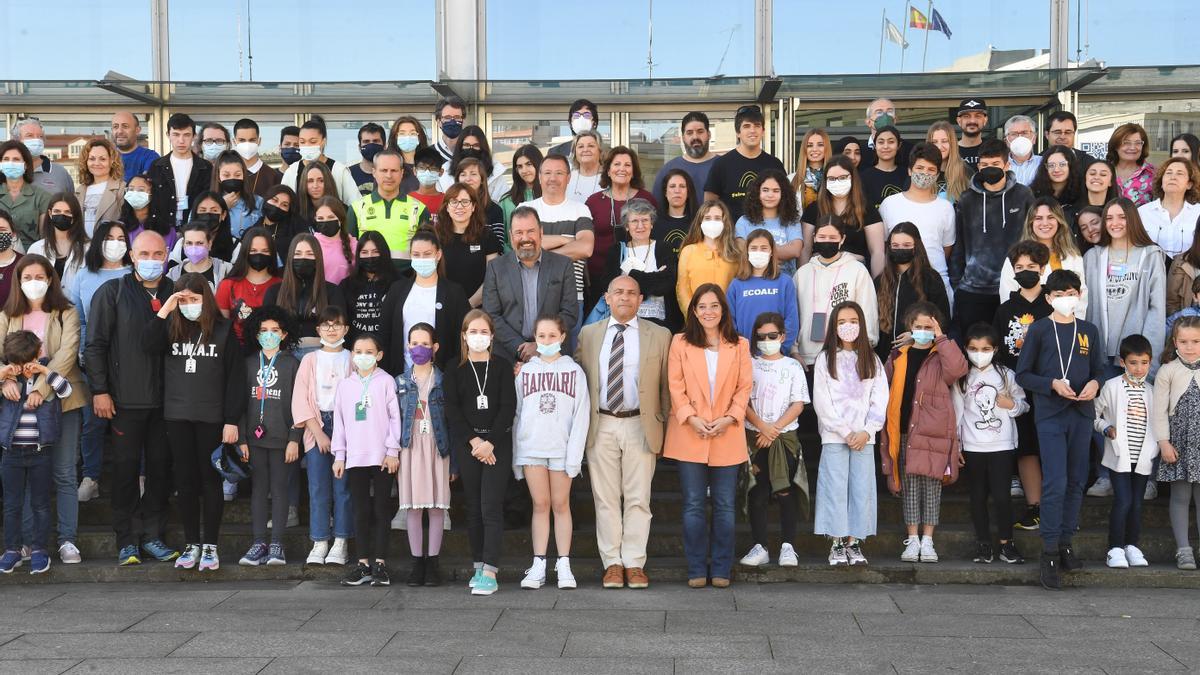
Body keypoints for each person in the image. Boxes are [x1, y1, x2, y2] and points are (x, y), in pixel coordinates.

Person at [83, 230, 178, 565]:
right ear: (132, 256)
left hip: (167, 402)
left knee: (159, 470)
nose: (151, 261)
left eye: (157, 254)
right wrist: (100, 390)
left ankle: (153, 536)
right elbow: (94, 346)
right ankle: (127, 540)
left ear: (166, 256)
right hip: (124, 400)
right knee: (124, 470)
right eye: (144, 254)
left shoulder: (175, 292)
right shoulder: (113, 292)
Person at [575, 275, 671, 588]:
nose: (625, 298)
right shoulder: (588, 334)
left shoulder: (660, 335)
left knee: (638, 498)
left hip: (640, 424)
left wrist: (665, 424)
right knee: (605, 498)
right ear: (606, 297)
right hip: (601, 423)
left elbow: (666, 386)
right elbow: (577, 379)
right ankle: (612, 562)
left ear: (641, 300)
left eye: (631, 293)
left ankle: (634, 562)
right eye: (618, 292)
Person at [141, 272, 238, 572]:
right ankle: (192, 543)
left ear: (205, 299)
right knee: (184, 481)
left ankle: (210, 545)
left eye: (195, 300)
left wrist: (232, 420)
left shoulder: (223, 330)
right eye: (184, 300)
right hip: (177, 415)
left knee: (210, 481)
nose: (189, 306)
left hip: (211, 417)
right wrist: (166, 308)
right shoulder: (172, 326)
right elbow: (147, 344)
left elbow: (235, 378)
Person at [1015, 269, 1105, 589]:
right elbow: (1023, 375)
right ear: (1049, 298)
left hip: (1081, 413)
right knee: (1055, 481)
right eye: (1060, 295)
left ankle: (1066, 542)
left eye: (1072, 293)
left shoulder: (1089, 331)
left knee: (1077, 480)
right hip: (1051, 415)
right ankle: (1049, 550)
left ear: (1079, 295)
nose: (1067, 299)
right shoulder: (1040, 330)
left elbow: (1099, 369)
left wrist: (1095, 382)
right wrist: (1052, 384)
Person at [665, 284, 752, 588]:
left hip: (727, 432)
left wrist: (730, 417)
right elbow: (675, 386)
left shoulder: (739, 345)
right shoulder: (680, 343)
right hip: (690, 432)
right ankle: (695, 568)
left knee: (726, 504)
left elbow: (744, 387)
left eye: (714, 306)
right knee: (693, 503)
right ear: (693, 311)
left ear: (723, 310)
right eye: (701, 306)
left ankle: (721, 568)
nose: (708, 312)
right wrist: (691, 417)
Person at [0, 255, 86, 565]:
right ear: (18, 281)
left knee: (64, 473)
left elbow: (67, 354)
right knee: (23, 478)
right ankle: (25, 543)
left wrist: (41, 388)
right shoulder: (7, 315)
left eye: (40, 275)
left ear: (50, 279)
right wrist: (4, 382)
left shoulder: (66, 313)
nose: (33, 281)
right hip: (19, 406)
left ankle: (67, 539)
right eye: (27, 276)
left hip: (62, 401)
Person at [882, 301, 967, 563]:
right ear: (909, 328)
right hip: (905, 429)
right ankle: (912, 539)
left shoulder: (941, 354)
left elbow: (957, 369)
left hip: (934, 433)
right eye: (917, 326)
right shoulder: (898, 356)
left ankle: (928, 540)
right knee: (909, 487)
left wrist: (941, 338)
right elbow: (883, 387)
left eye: (928, 327)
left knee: (931, 486)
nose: (922, 331)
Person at [514, 314, 590, 590]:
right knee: (540, 505)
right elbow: (517, 414)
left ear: (562, 337)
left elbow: (582, 416)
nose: (546, 341)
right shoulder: (525, 372)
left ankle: (564, 563)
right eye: (541, 336)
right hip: (532, 448)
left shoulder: (574, 372)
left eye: (551, 335)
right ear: (534, 338)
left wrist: (575, 456)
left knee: (561, 505)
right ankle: (538, 564)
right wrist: (516, 454)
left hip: (561, 449)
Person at [444, 310, 516, 596]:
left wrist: (490, 443)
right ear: (464, 335)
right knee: (473, 508)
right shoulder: (454, 368)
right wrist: (474, 442)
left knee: (491, 507)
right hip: (469, 445)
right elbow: (452, 409)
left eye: (483, 332)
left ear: (492, 336)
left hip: (497, 445)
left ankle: (490, 570)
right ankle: (478, 564)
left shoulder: (501, 366)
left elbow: (507, 408)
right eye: (472, 332)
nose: (477, 337)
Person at [813, 301, 887, 566]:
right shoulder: (825, 359)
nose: (848, 326)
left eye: (853, 321)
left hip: (864, 438)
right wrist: (845, 432)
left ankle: (855, 542)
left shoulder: (872, 359)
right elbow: (822, 402)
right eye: (841, 322)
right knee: (834, 488)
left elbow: (880, 398)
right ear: (833, 326)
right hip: (835, 436)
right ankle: (836, 542)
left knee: (862, 488)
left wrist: (867, 431)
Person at [232, 305, 303, 567]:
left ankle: (277, 543)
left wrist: (295, 437)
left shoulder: (292, 364)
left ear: (284, 334)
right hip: (253, 438)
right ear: (255, 333)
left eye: (275, 330)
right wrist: (241, 438)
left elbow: (300, 403)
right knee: (259, 489)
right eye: (263, 330)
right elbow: (238, 402)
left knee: (280, 489)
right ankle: (259, 541)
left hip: (284, 440)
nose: (269, 335)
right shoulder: (248, 363)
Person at [738, 311, 810, 568]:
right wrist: (762, 427)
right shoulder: (749, 364)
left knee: (784, 490)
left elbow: (798, 403)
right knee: (757, 490)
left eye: (772, 336)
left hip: (784, 438)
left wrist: (774, 429)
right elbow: (741, 400)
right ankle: (760, 545)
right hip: (754, 436)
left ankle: (788, 546)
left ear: (782, 336)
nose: (766, 340)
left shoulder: (792, 366)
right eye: (761, 337)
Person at [953, 323, 1028, 564]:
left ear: (995, 349)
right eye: (973, 348)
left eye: (985, 348)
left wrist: (1011, 405)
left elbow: (1023, 405)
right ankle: (983, 544)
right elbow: (956, 414)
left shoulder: (1007, 375)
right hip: (973, 447)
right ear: (965, 348)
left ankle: (1007, 544)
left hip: (1002, 446)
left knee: (1002, 496)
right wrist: (956, 444)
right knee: (977, 496)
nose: (979, 353)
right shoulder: (961, 377)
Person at [0, 330, 73, 574]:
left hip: (40, 452)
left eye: (26, 363)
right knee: (11, 504)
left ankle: (40, 549)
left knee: (41, 503)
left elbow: (66, 391)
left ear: (38, 354)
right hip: (11, 454)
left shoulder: (46, 376)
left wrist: (43, 371)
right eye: (16, 364)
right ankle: (12, 549)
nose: (22, 369)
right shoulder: (8, 380)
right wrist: (4, 375)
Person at [332, 332, 401, 586]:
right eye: (358, 352)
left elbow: (396, 418)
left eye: (369, 352)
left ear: (379, 355)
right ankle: (362, 565)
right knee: (360, 510)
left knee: (381, 509)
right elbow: (338, 422)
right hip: (355, 457)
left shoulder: (386, 381)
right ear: (352, 355)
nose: (363, 356)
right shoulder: (345, 385)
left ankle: (380, 564)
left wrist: (392, 451)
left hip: (382, 456)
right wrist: (340, 455)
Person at [993, 240, 1053, 532]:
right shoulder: (1005, 309)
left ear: (1042, 269)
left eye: (1032, 267)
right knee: (1027, 447)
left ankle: (1056, 507)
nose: (1026, 271)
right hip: (1016, 386)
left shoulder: (1053, 306)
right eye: (1020, 267)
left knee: (1050, 447)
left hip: (1049, 387)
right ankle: (1036, 507)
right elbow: (999, 351)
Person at [949, 139, 1036, 335]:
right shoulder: (967, 199)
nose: (990, 169)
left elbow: (1033, 238)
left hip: (1014, 286)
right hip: (973, 289)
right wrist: (957, 283)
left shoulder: (1023, 195)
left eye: (995, 164)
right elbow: (959, 243)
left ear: (1007, 165)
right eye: (985, 165)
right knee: (974, 347)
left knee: (1011, 347)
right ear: (978, 166)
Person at [66, 220, 126, 503]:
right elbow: (77, 319)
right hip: (94, 358)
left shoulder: (134, 273)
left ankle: (138, 476)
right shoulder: (84, 276)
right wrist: (81, 354)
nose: (115, 242)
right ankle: (91, 476)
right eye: (109, 237)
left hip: (130, 362)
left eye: (121, 237)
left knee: (132, 420)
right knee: (92, 422)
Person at [291, 306, 354, 567]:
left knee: (344, 487)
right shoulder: (309, 360)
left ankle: (341, 540)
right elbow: (300, 399)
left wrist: (340, 433)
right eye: (326, 325)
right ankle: (319, 540)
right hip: (315, 425)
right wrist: (317, 432)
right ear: (318, 330)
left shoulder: (352, 358)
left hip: (346, 428)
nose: (331, 329)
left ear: (346, 329)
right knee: (318, 486)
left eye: (337, 324)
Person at [393, 323, 452, 587]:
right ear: (407, 346)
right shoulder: (400, 382)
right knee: (414, 507)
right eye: (414, 343)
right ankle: (417, 562)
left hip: (437, 445)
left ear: (435, 347)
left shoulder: (444, 380)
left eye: (425, 344)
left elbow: (452, 419)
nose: (419, 348)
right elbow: (393, 419)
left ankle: (433, 562)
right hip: (410, 445)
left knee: (437, 506)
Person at [481, 206, 579, 364]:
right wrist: (520, 348)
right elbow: (491, 314)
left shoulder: (563, 265)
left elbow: (570, 312)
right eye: (519, 232)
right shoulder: (496, 267)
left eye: (530, 231)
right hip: (507, 357)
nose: (525, 238)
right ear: (511, 236)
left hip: (553, 356)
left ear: (541, 232)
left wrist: (540, 345)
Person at [1082, 198, 1166, 380]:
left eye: (1122, 217)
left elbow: (1156, 309)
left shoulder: (1150, 255)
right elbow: (1084, 306)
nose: (1115, 223)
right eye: (1109, 218)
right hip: (1101, 353)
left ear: (1133, 219)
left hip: (1135, 354)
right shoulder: (1093, 256)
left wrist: (1147, 356)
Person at [1093, 334, 1157, 569]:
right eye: (1133, 362)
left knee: (1137, 503)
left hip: (1144, 456)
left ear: (1150, 362)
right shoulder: (1111, 387)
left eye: (1144, 363)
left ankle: (1132, 545)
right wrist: (1106, 427)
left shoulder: (1152, 391)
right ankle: (1115, 548)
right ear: (1122, 362)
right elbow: (1094, 414)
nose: (1139, 368)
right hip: (1120, 456)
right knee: (1123, 501)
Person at [378, 230, 469, 372]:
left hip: (441, 375)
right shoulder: (397, 290)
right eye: (416, 255)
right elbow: (385, 332)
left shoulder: (454, 292)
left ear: (438, 255)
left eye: (427, 254)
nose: (421, 259)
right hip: (402, 373)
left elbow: (462, 337)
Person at [794, 216, 878, 367]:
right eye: (822, 237)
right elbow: (793, 315)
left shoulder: (857, 270)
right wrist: (793, 350)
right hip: (807, 357)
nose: (827, 241)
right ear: (814, 238)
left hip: (846, 356)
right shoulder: (802, 273)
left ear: (842, 239)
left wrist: (864, 347)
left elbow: (868, 310)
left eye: (833, 237)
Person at [880, 142, 957, 299]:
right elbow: (883, 245)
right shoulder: (890, 204)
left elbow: (947, 248)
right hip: (899, 283)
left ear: (937, 175)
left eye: (931, 170)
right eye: (920, 168)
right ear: (909, 170)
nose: (925, 174)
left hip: (937, 284)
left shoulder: (946, 207)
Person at [527, 155, 595, 330]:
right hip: (531, 296)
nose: (553, 178)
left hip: (571, 298)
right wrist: (567, 239)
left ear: (568, 177)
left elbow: (586, 248)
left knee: (568, 356)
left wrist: (540, 252)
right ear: (539, 177)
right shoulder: (525, 209)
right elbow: (523, 247)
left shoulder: (581, 209)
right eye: (547, 172)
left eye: (559, 173)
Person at [1154, 316, 1200, 570]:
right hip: (1179, 442)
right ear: (1175, 342)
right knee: (1181, 495)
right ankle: (1183, 549)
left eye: (1196, 341)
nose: (1190, 347)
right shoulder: (1168, 370)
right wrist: (1164, 442)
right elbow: (1160, 411)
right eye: (1184, 341)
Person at [585, 146, 657, 309]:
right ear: (608, 171)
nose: (622, 169)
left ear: (634, 171)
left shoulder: (647, 198)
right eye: (617, 164)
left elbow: (655, 236)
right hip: (599, 277)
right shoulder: (593, 202)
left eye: (627, 165)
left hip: (638, 276)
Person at [263, 234, 349, 357]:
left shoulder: (332, 291)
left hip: (322, 354)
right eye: (297, 254)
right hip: (283, 354)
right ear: (290, 258)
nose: (303, 258)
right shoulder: (273, 292)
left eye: (309, 254)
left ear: (318, 258)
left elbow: (340, 329)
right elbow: (266, 330)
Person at [997, 197, 1088, 314]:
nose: (1045, 223)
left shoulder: (1072, 256)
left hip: (1066, 325)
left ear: (1059, 221)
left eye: (1051, 217)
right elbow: (1007, 296)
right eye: (1038, 218)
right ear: (1031, 223)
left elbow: (1081, 295)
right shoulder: (1017, 256)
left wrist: (1075, 326)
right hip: (1028, 325)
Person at [875, 222, 951, 361]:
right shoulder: (881, 280)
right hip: (885, 358)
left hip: (920, 356)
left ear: (917, 246)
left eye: (906, 245)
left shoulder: (931, 278)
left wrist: (916, 335)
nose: (900, 249)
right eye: (895, 245)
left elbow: (943, 321)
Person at [800, 157, 884, 276]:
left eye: (843, 178)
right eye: (832, 179)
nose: (837, 182)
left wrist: (878, 286)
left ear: (853, 178)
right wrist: (804, 280)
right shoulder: (813, 210)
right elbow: (805, 250)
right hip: (820, 276)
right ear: (825, 181)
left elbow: (878, 252)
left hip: (855, 275)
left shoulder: (867, 210)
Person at [600, 199, 677, 330]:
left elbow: (665, 286)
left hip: (659, 325)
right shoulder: (617, 251)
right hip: (623, 323)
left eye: (645, 220)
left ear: (652, 224)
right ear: (626, 226)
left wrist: (630, 275)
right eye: (635, 221)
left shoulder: (664, 248)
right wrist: (655, 278)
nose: (640, 226)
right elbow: (610, 287)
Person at [346, 150, 429, 267]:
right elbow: (349, 251)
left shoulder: (419, 209)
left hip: (406, 279)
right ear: (374, 172)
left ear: (402, 173)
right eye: (384, 170)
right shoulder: (356, 208)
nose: (389, 175)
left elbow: (426, 250)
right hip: (369, 280)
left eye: (394, 170)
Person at [703, 105, 785, 222]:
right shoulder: (721, 164)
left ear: (763, 131)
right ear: (738, 133)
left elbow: (785, 202)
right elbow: (709, 205)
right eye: (746, 126)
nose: (752, 130)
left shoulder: (775, 165)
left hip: (769, 236)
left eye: (757, 126)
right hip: (730, 236)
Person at [726, 230, 799, 354]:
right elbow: (729, 322)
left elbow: (791, 320)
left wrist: (781, 350)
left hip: (777, 354)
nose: (758, 252)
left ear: (771, 252)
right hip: (745, 355)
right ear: (747, 252)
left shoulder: (785, 282)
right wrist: (739, 351)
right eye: (753, 248)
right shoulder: (736, 285)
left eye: (764, 248)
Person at [434, 183, 502, 308]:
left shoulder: (487, 236)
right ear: (447, 207)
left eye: (465, 201)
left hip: (479, 308)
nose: (459, 206)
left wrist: (469, 304)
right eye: (454, 202)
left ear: (473, 206)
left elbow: (493, 277)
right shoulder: (436, 237)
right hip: (443, 306)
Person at [147, 113, 212, 232]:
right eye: (176, 135)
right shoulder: (157, 166)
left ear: (194, 136)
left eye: (186, 135)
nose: (181, 140)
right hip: (163, 229)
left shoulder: (205, 167)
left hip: (196, 228)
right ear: (168, 135)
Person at [216, 226, 281, 344]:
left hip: (269, 349)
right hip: (235, 349)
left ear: (272, 253)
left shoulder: (280, 286)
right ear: (245, 252)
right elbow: (222, 326)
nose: (259, 255)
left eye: (265, 251)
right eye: (253, 251)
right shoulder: (227, 285)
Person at [675, 200, 739, 314]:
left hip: (728, 318)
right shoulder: (689, 251)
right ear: (700, 222)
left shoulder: (734, 253)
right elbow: (682, 289)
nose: (712, 222)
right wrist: (693, 314)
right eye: (708, 218)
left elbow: (738, 290)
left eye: (717, 218)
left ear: (725, 223)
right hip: (697, 318)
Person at [736, 169, 803, 278]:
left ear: (784, 194)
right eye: (765, 190)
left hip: (785, 282)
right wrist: (778, 255)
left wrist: (759, 253)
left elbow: (795, 250)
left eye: (776, 191)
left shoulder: (792, 221)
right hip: (752, 282)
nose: (770, 195)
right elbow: (741, 250)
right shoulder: (744, 221)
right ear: (758, 192)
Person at [281, 115, 359, 204]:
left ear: (323, 141)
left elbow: (356, 204)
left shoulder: (339, 170)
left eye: (313, 141)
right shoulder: (292, 172)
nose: (307, 146)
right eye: (302, 142)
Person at [651, 112, 717, 210]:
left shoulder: (723, 165)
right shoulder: (669, 169)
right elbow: (657, 208)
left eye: (700, 131)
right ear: (683, 138)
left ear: (709, 135)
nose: (695, 137)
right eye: (689, 133)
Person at [1139, 157, 1200, 260]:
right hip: (1151, 274)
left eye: (1179, 173)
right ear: (1161, 182)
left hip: (1189, 274)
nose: (1173, 177)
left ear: (1189, 184)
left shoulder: (1197, 212)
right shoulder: (1143, 213)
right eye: (1168, 173)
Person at [339, 232, 395, 337]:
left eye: (375, 251)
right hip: (356, 349)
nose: (370, 256)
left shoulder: (397, 284)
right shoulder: (346, 285)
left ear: (384, 253)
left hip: (387, 348)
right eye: (364, 252)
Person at [28, 194, 88, 292]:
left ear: (75, 216)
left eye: (67, 212)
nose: (62, 215)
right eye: (57, 211)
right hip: (44, 305)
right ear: (50, 214)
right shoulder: (36, 248)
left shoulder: (87, 248)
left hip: (75, 305)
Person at [0, 139, 53, 247]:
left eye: (16, 159)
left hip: (30, 258)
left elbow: (45, 239)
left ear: (25, 165)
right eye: (6, 159)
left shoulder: (42, 197)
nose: (11, 163)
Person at [437, 126, 510, 204]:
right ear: (460, 147)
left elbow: (503, 204)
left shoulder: (496, 172)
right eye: (466, 145)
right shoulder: (445, 172)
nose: (470, 149)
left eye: (476, 145)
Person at [452, 158, 507, 252]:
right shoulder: (450, 207)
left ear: (482, 179)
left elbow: (498, 247)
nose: (468, 179)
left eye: (473, 174)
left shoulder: (494, 210)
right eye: (463, 174)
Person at [74, 138, 126, 236]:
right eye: (92, 159)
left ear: (112, 161)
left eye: (102, 159)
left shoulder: (122, 189)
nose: (96, 163)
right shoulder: (79, 191)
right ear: (86, 161)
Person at [166, 219, 232, 291]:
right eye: (189, 243)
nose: (194, 248)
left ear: (209, 244)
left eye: (199, 243)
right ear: (183, 244)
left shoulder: (227, 271)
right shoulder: (173, 275)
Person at [12, 118, 73, 196]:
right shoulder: (8, 171)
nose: (36, 140)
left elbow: (71, 204)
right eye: (29, 135)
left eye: (40, 136)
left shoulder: (60, 172)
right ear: (16, 141)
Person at [498, 145, 543, 248]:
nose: (524, 170)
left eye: (529, 164)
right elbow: (502, 240)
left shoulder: (550, 197)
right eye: (520, 166)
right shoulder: (506, 201)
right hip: (514, 260)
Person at [213, 151, 263, 241]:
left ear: (244, 175)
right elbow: (199, 231)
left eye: (237, 175)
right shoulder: (206, 201)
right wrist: (221, 206)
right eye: (226, 175)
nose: (232, 178)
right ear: (218, 177)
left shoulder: (258, 202)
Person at [1031, 146, 1084, 226]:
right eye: (1051, 165)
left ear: (1070, 165)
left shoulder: (1082, 191)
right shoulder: (1033, 193)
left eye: (1062, 164)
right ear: (1045, 167)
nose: (1056, 170)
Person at [859, 126, 907, 213]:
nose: (885, 146)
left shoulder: (907, 174)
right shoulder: (864, 177)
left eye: (891, 142)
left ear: (898, 145)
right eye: (881, 142)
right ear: (875, 146)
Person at [231, 118, 282, 199]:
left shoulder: (273, 176)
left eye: (252, 140)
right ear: (234, 142)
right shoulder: (227, 174)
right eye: (242, 140)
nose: (247, 144)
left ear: (259, 141)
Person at [311, 196, 356, 285]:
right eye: (320, 218)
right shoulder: (310, 244)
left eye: (331, 217)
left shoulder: (353, 244)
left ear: (340, 219)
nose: (325, 222)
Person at [1108, 123, 1156, 206]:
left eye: (1138, 143)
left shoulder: (1153, 174)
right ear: (1115, 145)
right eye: (1126, 143)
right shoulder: (1104, 171)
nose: (1132, 147)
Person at [654, 168, 698, 258]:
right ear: (665, 192)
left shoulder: (698, 222)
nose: (677, 191)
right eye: (672, 186)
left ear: (688, 192)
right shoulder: (654, 223)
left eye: (682, 186)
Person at [251, 184, 303, 255]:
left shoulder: (295, 228)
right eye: (274, 200)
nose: (278, 206)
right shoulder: (252, 231)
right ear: (266, 200)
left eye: (284, 205)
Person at [925, 121, 969, 202]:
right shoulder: (922, 171)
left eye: (944, 141)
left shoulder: (965, 171)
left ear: (952, 143)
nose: (939, 147)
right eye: (934, 142)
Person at [120, 174, 168, 247]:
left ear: (152, 194)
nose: (135, 193)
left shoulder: (165, 229)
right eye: (131, 189)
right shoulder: (120, 226)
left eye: (141, 190)